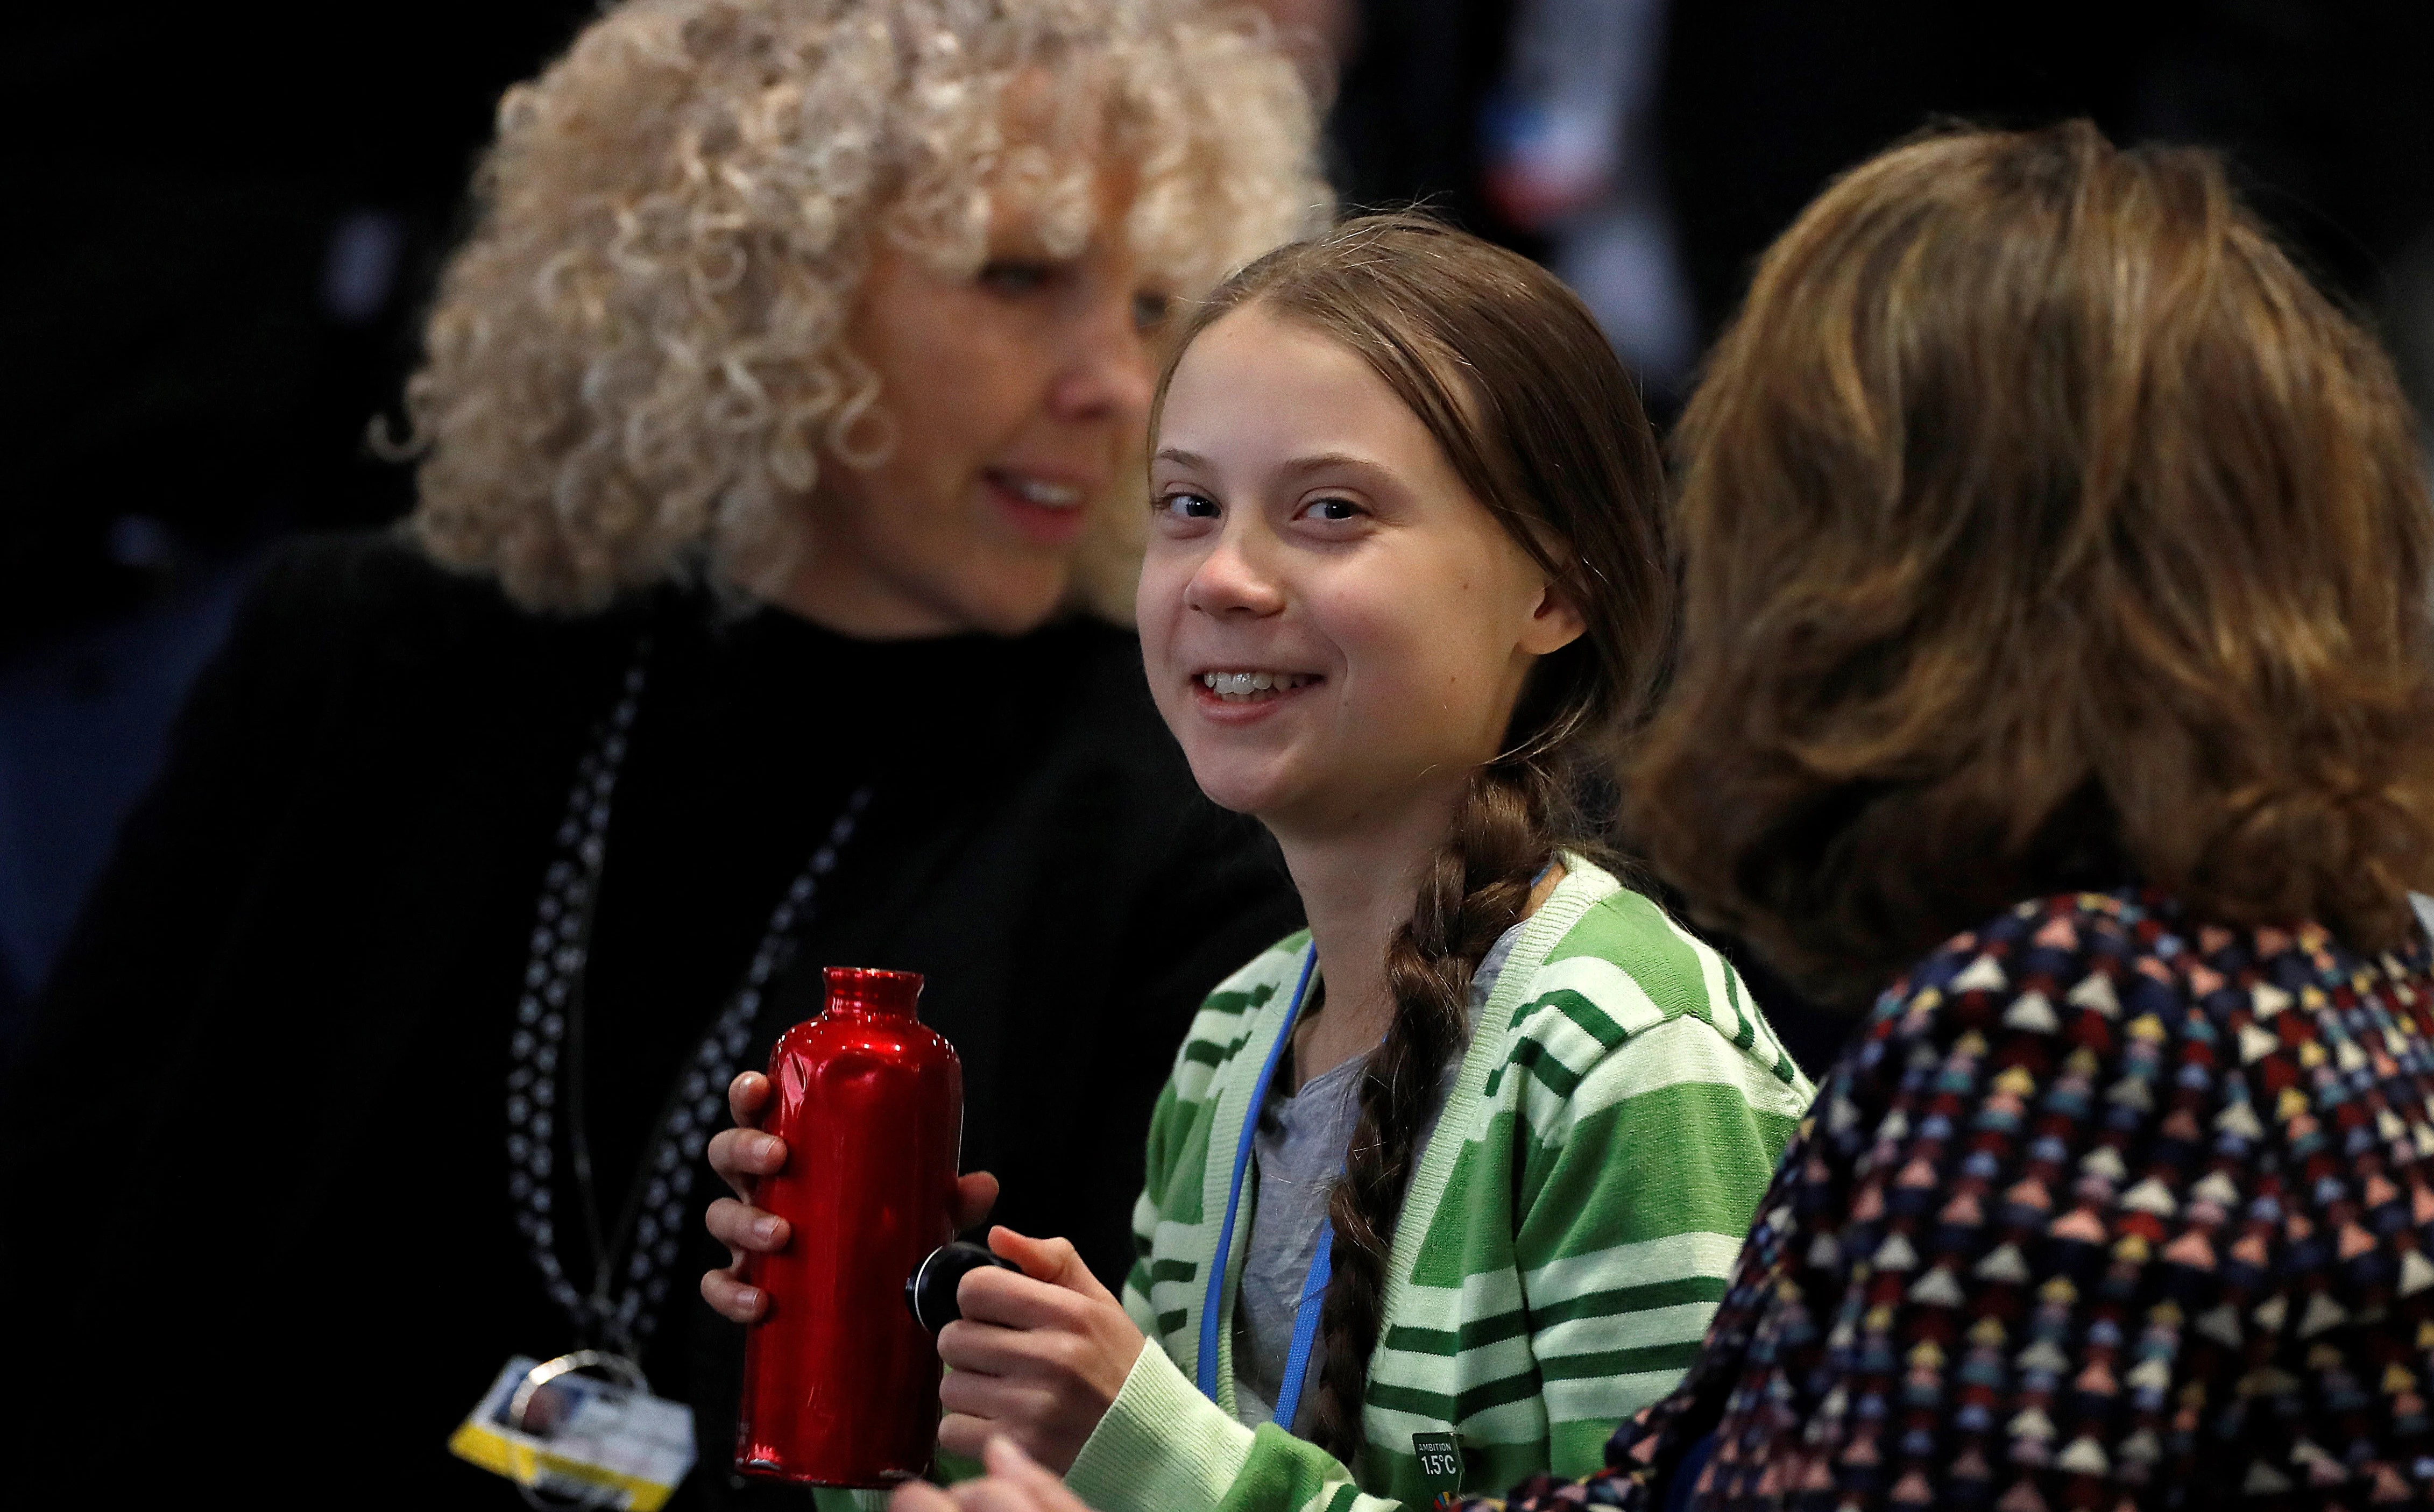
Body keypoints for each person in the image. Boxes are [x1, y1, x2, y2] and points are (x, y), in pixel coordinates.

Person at [909, 121, 2434, 1512]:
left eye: (1790, 482)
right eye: (1182, 505)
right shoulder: (2294, 977)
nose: (1753, 566)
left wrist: (1158, 1468)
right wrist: (905, 1372)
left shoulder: (2087, 1027)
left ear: (1936, 565)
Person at [0, 2, 1322, 1504]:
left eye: (1156, 307)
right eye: (1016, 277)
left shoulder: (1177, 798)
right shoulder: (376, 662)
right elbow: (75, 1251)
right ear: (757, 283)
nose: (1111, 382)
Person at [705, 214, 1818, 1512]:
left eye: (1331, 511)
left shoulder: (1624, 1047)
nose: (1225, 574)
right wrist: (871, 1341)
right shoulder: (1236, 1035)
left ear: (1555, 591)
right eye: (1187, 505)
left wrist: (1141, 1441)